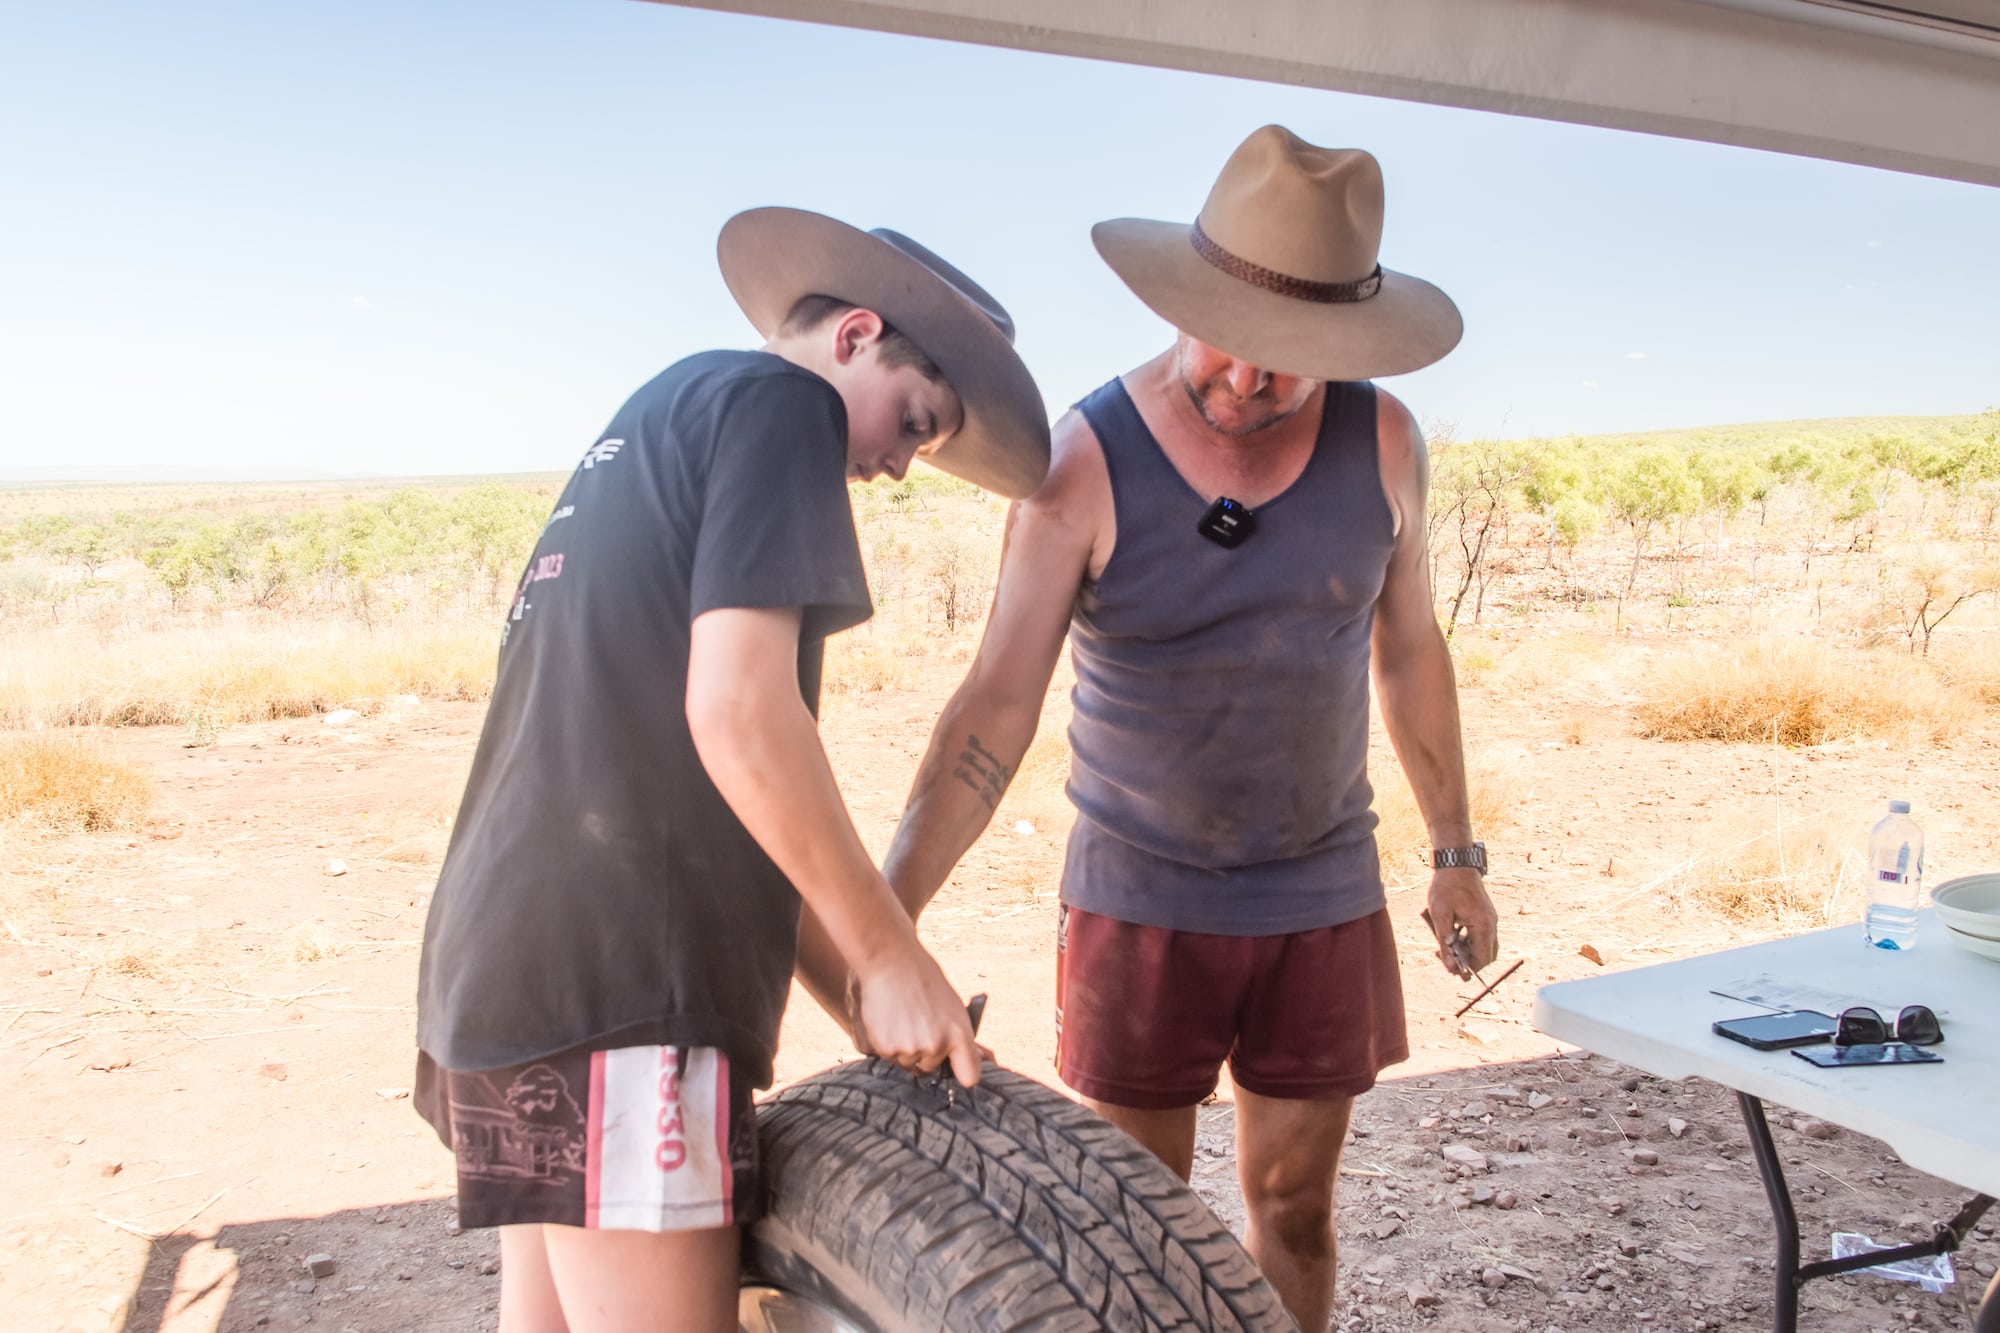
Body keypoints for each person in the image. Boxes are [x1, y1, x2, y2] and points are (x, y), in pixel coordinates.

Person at [838, 125, 1500, 1331]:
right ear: (1179, 301)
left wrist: (1453, 851)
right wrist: (888, 918)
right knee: (1141, 1222)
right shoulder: (1083, 461)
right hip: (1139, 901)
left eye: (1288, 363)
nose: (1246, 379)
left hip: (1317, 893)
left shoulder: (1384, 444)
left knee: (1292, 1202)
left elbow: (1408, 652)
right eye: (1225, 344)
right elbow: (992, 707)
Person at [412, 207, 1048, 1333]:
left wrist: (860, 990)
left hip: (514, 969)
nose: (899, 466)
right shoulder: (778, 404)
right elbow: (741, 716)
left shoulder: (664, 411)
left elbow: (720, 805)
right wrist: (891, 950)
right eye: (913, 422)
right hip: (620, 987)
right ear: (855, 335)